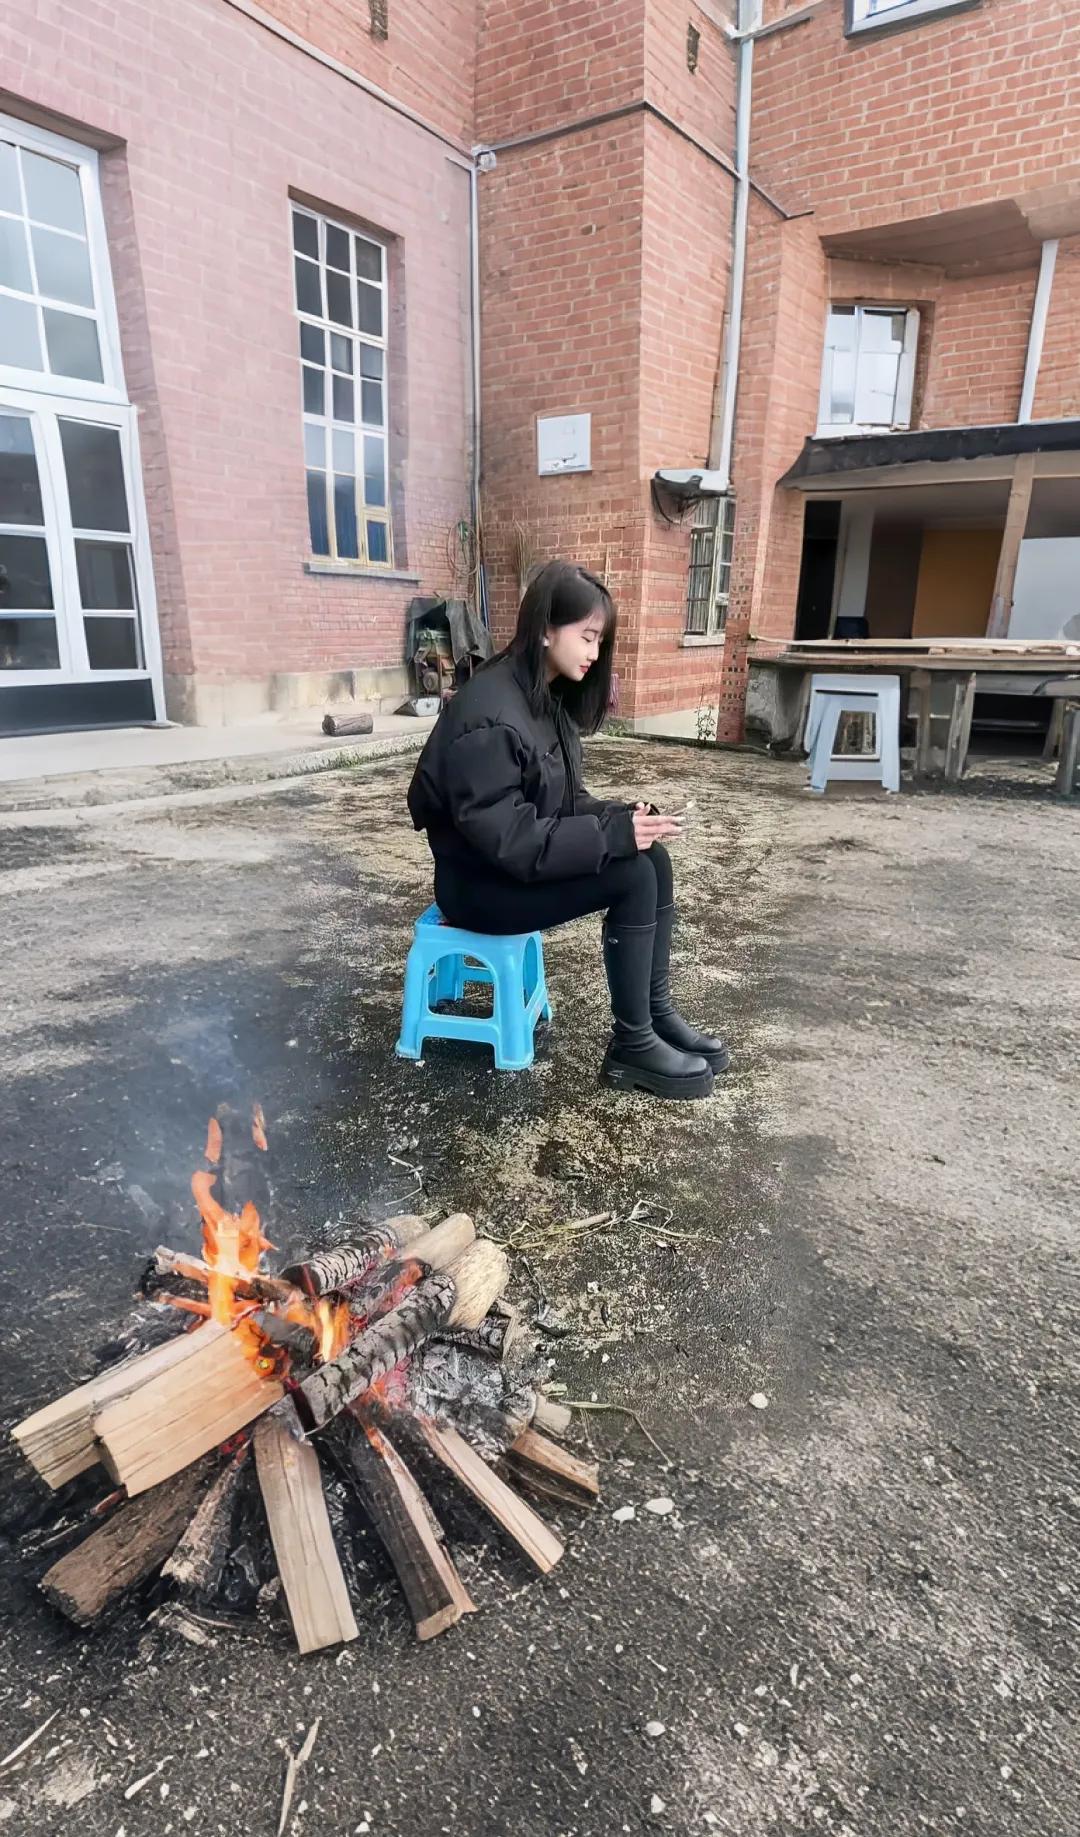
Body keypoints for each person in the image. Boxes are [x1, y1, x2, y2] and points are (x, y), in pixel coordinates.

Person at [407, 560, 729, 1101]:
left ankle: (654, 1015)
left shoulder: (539, 697)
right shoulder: (489, 714)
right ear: (544, 629)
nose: (594, 654)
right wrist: (610, 840)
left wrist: (621, 817)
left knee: (653, 859)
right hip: (480, 889)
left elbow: (564, 802)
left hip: (507, 870)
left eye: (599, 641)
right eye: (587, 637)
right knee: (630, 875)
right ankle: (632, 1044)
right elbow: (510, 839)